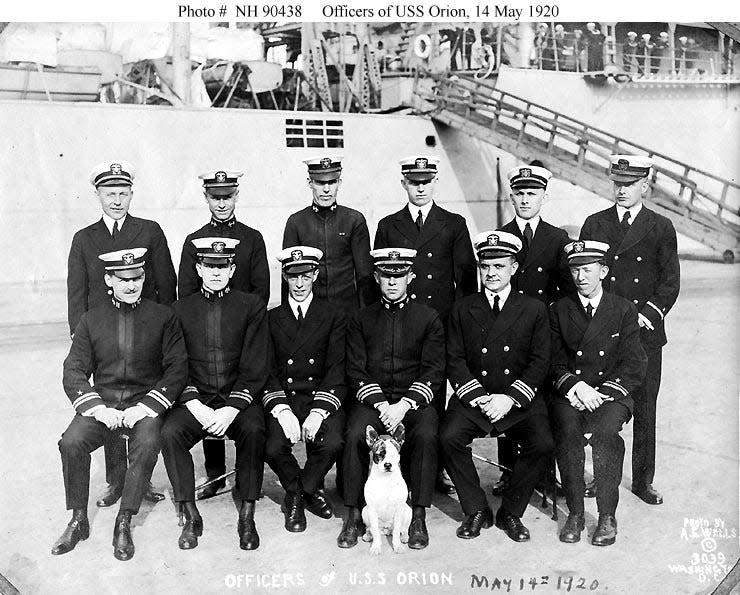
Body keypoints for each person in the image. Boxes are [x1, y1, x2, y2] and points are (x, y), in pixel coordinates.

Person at [53, 248, 187, 560]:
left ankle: (124, 519)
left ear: (143, 277)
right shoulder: (91, 320)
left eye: (137, 277)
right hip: (103, 405)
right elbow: (73, 370)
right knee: (71, 443)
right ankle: (78, 519)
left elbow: (177, 368)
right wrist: (97, 408)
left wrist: (148, 407)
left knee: (147, 442)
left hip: (144, 405)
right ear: (108, 279)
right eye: (122, 278)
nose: (131, 284)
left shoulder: (163, 316)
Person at [67, 160, 176, 508]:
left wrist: (164, 333)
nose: (117, 199)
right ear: (97, 194)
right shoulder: (85, 238)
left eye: (123, 192)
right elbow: (77, 292)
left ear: (132, 194)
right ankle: (116, 482)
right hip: (102, 338)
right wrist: (78, 336)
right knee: (110, 399)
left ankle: (139, 482)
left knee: (143, 406)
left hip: (144, 333)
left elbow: (165, 284)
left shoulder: (150, 230)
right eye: (109, 193)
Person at [580, 155, 680, 506]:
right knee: (601, 406)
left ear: (644, 186)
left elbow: (670, 282)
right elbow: (585, 278)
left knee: (645, 409)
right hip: (605, 333)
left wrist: (645, 314)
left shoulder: (661, 226)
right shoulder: (595, 224)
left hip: (645, 333)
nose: (621, 190)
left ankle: (643, 480)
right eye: (617, 183)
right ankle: (598, 476)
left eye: (629, 184)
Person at [440, 231, 553, 543]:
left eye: (499, 266)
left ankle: (511, 512)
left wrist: (511, 398)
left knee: (542, 442)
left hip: (516, 400)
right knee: (448, 437)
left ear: (513, 268)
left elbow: (540, 361)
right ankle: (476, 508)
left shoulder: (534, 308)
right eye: (485, 266)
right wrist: (478, 396)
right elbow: (455, 359)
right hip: (476, 397)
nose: (491, 273)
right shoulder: (463, 308)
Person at [374, 156, 476, 493]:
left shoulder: (453, 223)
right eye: (413, 181)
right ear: (404, 183)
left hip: (440, 325)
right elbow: (380, 279)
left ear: (435, 183)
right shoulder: (389, 224)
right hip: (399, 324)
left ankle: (433, 471)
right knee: (404, 396)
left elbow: (465, 283)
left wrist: (461, 330)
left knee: (433, 399)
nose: (420, 187)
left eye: (426, 181)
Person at [162, 237, 269, 551]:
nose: (216, 272)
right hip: (198, 400)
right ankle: (190, 511)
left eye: (222, 266)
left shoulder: (250, 306)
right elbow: (176, 364)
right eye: (209, 266)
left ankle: (247, 512)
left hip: (236, 400)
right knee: (170, 433)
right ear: (198, 268)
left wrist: (232, 408)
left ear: (232, 268)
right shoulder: (179, 310)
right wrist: (194, 404)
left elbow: (254, 365)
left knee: (254, 429)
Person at [337, 248, 445, 551]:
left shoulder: (428, 317)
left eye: (399, 275)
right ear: (377, 277)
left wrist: (404, 404)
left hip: (412, 402)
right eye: (386, 275)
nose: (393, 282)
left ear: (410, 277)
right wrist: (382, 405)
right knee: (356, 432)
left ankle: (419, 514)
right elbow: (355, 367)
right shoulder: (361, 318)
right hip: (375, 401)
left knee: (425, 434)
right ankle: (354, 514)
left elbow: (434, 370)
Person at [178, 169, 270, 500]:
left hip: (242, 334)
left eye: (227, 196)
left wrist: (242, 325)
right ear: (206, 198)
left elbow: (261, 291)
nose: (221, 203)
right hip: (206, 333)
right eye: (215, 197)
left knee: (246, 413)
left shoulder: (253, 238)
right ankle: (216, 475)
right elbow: (185, 294)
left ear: (236, 196)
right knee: (206, 394)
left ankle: (247, 480)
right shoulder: (195, 240)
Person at [549, 240, 647, 546]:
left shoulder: (622, 309)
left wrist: (601, 392)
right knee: (566, 430)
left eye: (588, 270)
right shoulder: (559, 310)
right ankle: (576, 513)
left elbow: (634, 363)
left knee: (606, 433)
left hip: (610, 395)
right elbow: (552, 360)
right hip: (571, 393)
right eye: (575, 270)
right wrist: (575, 387)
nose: (581, 276)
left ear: (602, 271)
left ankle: (607, 514)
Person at [491, 162, 574, 495]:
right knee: (506, 392)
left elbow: (566, 290)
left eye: (533, 193)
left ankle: (544, 474)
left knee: (544, 402)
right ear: (511, 196)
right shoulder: (500, 236)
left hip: (544, 331)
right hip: (508, 331)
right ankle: (509, 472)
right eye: (520, 193)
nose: (526, 199)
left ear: (544, 196)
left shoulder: (558, 238)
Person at [263, 246, 346, 533]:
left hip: (318, 396)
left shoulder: (333, 315)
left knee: (333, 442)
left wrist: (319, 412)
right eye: (293, 276)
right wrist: (281, 409)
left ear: (315, 275)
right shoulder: (272, 318)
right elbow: (267, 371)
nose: (299, 284)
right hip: (286, 398)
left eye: (306, 275)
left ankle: (298, 493)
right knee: (272, 446)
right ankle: (305, 490)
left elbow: (337, 368)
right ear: (284, 276)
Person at [282, 156, 375, 315]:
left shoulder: (354, 220)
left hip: (347, 313)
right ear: (310, 183)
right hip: (311, 315)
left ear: (339, 183)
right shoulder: (296, 222)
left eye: (332, 182)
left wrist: (367, 318)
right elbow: (288, 274)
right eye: (320, 182)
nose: (326, 189)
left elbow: (364, 275)